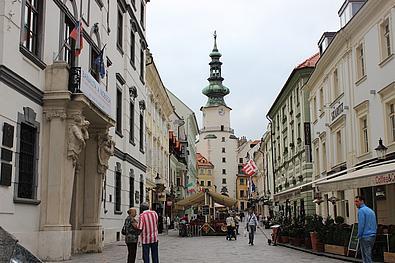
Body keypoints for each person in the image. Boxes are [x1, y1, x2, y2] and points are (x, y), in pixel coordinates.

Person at [355, 196, 377, 263]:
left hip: (365, 235)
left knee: (366, 255)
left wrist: (359, 235)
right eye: (355, 201)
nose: (355, 203)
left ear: (362, 201)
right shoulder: (371, 211)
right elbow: (375, 223)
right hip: (372, 235)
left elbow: (361, 224)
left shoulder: (361, 211)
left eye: (357, 201)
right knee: (368, 253)